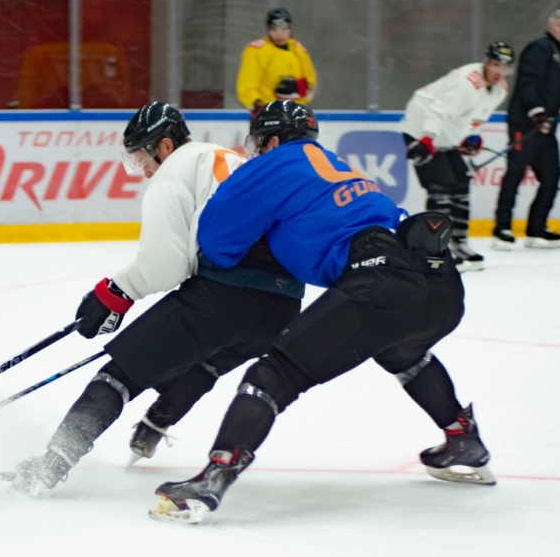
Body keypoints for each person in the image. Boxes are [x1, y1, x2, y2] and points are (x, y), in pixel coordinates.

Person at [149, 101, 493, 526]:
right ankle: (463, 438)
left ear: (272, 140)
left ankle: (213, 477)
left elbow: (217, 243)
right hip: (440, 283)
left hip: (381, 281)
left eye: (258, 142)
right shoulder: (335, 166)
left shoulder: (270, 164)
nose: (255, 150)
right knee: (400, 351)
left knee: (274, 374)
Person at [5, 102, 304, 495]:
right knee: (206, 361)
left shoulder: (175, 169)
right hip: (283, 306)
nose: (141, 169)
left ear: (165, 146)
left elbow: (167, 264)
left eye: (142, 156)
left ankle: (51, 464)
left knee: (120, 373)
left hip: (228, 293)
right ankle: (153, 426)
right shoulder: (231, 158)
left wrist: (116, 291)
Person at [400, 42, 513, 271]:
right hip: (421, 126)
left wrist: (470, 137)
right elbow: (437, 110)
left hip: (446, 135)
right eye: (494, 64)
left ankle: (459, 242)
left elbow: (472, 117)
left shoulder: (500, 88)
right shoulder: (467, 83)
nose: (499, 71)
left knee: (461, 182)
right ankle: (436, 248)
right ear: (486, 63)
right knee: (440, 186)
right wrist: (428, 139)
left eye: (504, 66)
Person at [494, 10, 560, 250]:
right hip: (525, 124)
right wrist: (537, 111)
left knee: (551, 176)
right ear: (553, 26)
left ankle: (536, 229)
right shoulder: (540, 48)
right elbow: (527, 82)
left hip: (547, 127)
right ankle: (502, 228)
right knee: (515, 173)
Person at [236, 8, 317, 116]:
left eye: (284, 29)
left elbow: (310, 82)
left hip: (294, 115)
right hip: (267, 114)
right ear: (268, 30)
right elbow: (246, 87)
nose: (279, 34)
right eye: (274, 29)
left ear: (290, 29)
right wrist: (259, 107)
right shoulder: (257, 50)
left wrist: (299, 86)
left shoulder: (298, 50)